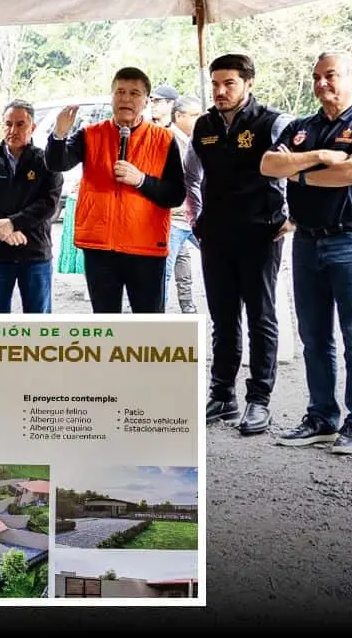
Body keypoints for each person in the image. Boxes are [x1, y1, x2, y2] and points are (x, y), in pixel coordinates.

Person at [260, 51, 352, 454]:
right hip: (307, 240)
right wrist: (316, 159)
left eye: (330, 75)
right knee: (313, 335)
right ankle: (321, 417)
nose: (322, 84)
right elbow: (268, 164)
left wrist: (296, 172)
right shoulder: (304, 126)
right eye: (317, 77)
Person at [188, 54, 294, 435]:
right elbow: (191, 176)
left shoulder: (273, 122)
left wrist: (292, 217)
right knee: (222, 317)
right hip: (215, 236)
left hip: (260, 234)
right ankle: (222, 395)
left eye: (228, 83)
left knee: (261, 317)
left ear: (248, 83)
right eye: (215, 83)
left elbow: (296, 168)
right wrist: (196, 219)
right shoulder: (203, 126)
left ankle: (259, 400)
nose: (219, 91)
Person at [46, 66, 187, 313]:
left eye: (134, 93)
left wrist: (142, 180)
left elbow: (175, 195)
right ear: (112, 97)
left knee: (149, 324)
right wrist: (58, 134)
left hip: (145, 247)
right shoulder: (90, 134)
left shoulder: (163, 140)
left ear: (146, 101)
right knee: (106, 325)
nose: (126, 99)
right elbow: (57, 163)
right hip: (100, 246)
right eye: (120, 92)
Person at [0, 99, 63, 313]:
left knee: (38, 321)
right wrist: (3, 230)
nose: (13, 130)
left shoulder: (46, 161)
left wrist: (13, 223)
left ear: (33, 127)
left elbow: (49, 203)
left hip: (34, 253)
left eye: (20, 124)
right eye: (8, 123)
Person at [164, 94, 203, 314]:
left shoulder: (196, 139)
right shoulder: (167, 139)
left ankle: (187, 305)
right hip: (174, 217)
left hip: (193, 216)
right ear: (179, 116)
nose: (200, 119)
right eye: (194, 115)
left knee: (183, 261)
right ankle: (154, 314)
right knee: (166, 270)